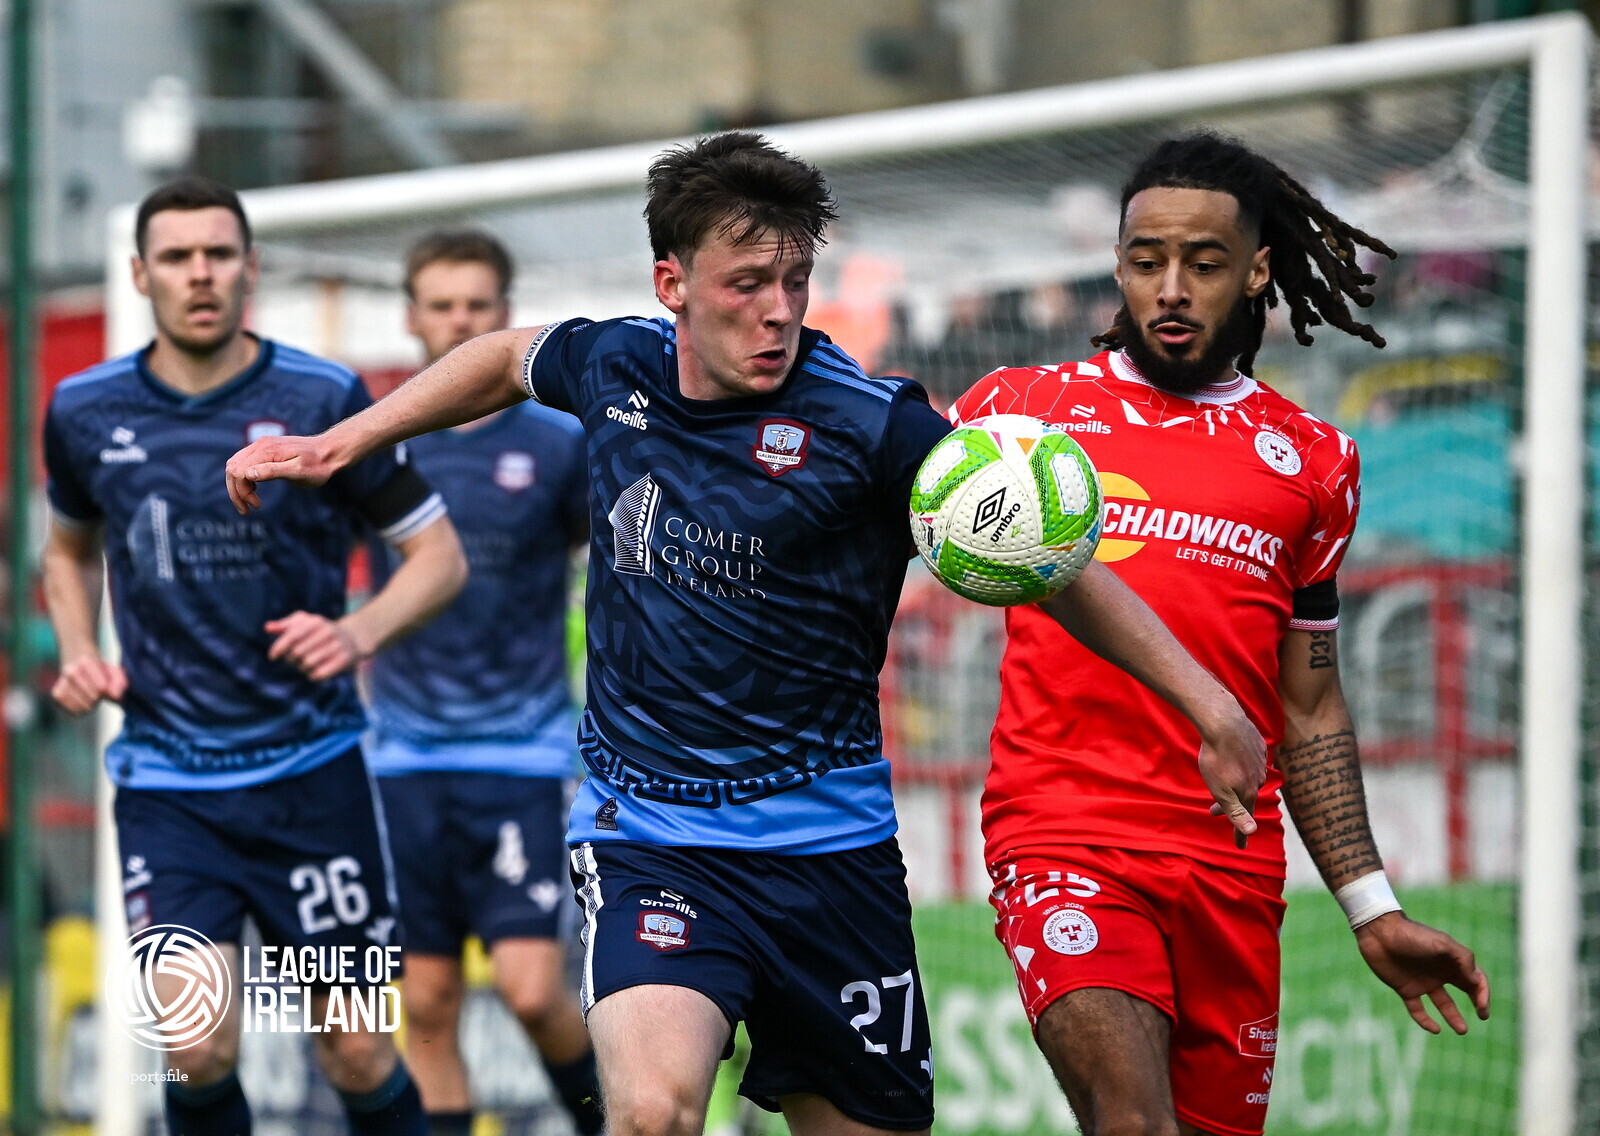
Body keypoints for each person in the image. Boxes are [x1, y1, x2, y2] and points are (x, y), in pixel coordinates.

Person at [225, 131, 1268, 1136]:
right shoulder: (613, 366)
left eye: (795, 281)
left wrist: (1208, 703)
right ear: (672, 283)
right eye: (746, 284)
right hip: (650, 833)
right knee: (651, 1111)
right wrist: (345, 440)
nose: (777, 311)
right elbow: (504, 357)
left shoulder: (875, 424)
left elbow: (1052, 564)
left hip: (830, 850)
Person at [948, 131, 1493, 1136]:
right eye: (1145, 260)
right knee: (1133, 1121)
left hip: (1229, 866)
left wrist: (1371, 905)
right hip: (1064, 835)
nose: (1170, 289)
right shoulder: (1018, 417)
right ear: (1117, 266)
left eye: (1202, 263)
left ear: (1255, 271)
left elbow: (1309, 702)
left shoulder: (1315, 461)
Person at [42, 176, 466, 1136]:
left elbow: (438, 557)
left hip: (313, 781)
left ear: (250, 267)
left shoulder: (322, 397)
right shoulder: (83, 409)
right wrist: (75, 645)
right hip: (170, 786)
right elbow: (65, 551)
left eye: (219, 254)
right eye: (178, 257)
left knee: (356, 1050)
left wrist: (356, 632)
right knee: (194, 1043)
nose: (200, 274)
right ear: (140, 274)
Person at [367, 229, 601, 1136]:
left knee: (532, 988)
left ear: (504, 315)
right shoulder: (381, 438)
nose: (459, 320)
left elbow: (604, 562)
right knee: (425, 1005)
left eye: (477, 305)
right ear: (412, 318)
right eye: (442, 305)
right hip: (401, 760)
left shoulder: (557, 441)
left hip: (522, 757)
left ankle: (609, 1121)